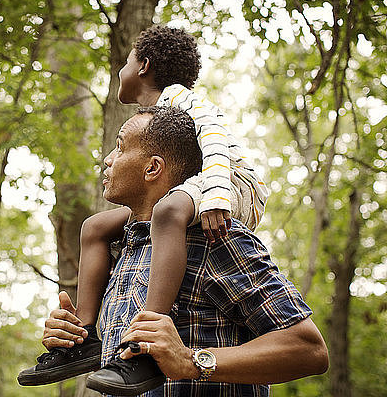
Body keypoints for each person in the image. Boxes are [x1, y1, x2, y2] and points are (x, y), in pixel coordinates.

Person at [18, 24, 269, 387]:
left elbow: (214, 139)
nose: (121, 69)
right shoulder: (153, 119)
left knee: (167, 213)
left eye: (126, 61)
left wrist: (216, 194)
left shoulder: (181, 99)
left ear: (143, 66)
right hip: (193, 186)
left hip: (230, 183)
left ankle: (146, 340)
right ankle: (86, 336)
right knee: (94, 227)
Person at [40, 106, 328, 396]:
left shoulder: (214, 238)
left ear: (152, 168)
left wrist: (192, 361)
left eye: (119, 147)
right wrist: (71, 333)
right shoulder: (122, 250)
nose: (108, 159)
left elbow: (309, 348)